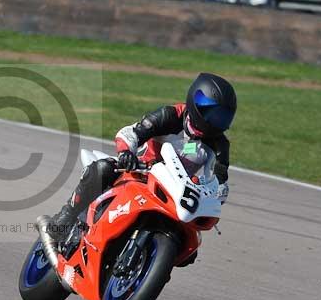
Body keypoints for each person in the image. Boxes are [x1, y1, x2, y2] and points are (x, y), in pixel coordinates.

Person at [38, 73, 237, 244]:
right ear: (196, 103)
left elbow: (220, 182)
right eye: (211, 113)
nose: (215, 121)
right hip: (139, 171)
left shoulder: (219, 146)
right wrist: (126, 153)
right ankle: (64, 220)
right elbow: (130, 133)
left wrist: (214, 195)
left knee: (189, 243)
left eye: (222, 117)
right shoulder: (169, 115)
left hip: (175, 191)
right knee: (102, 169)